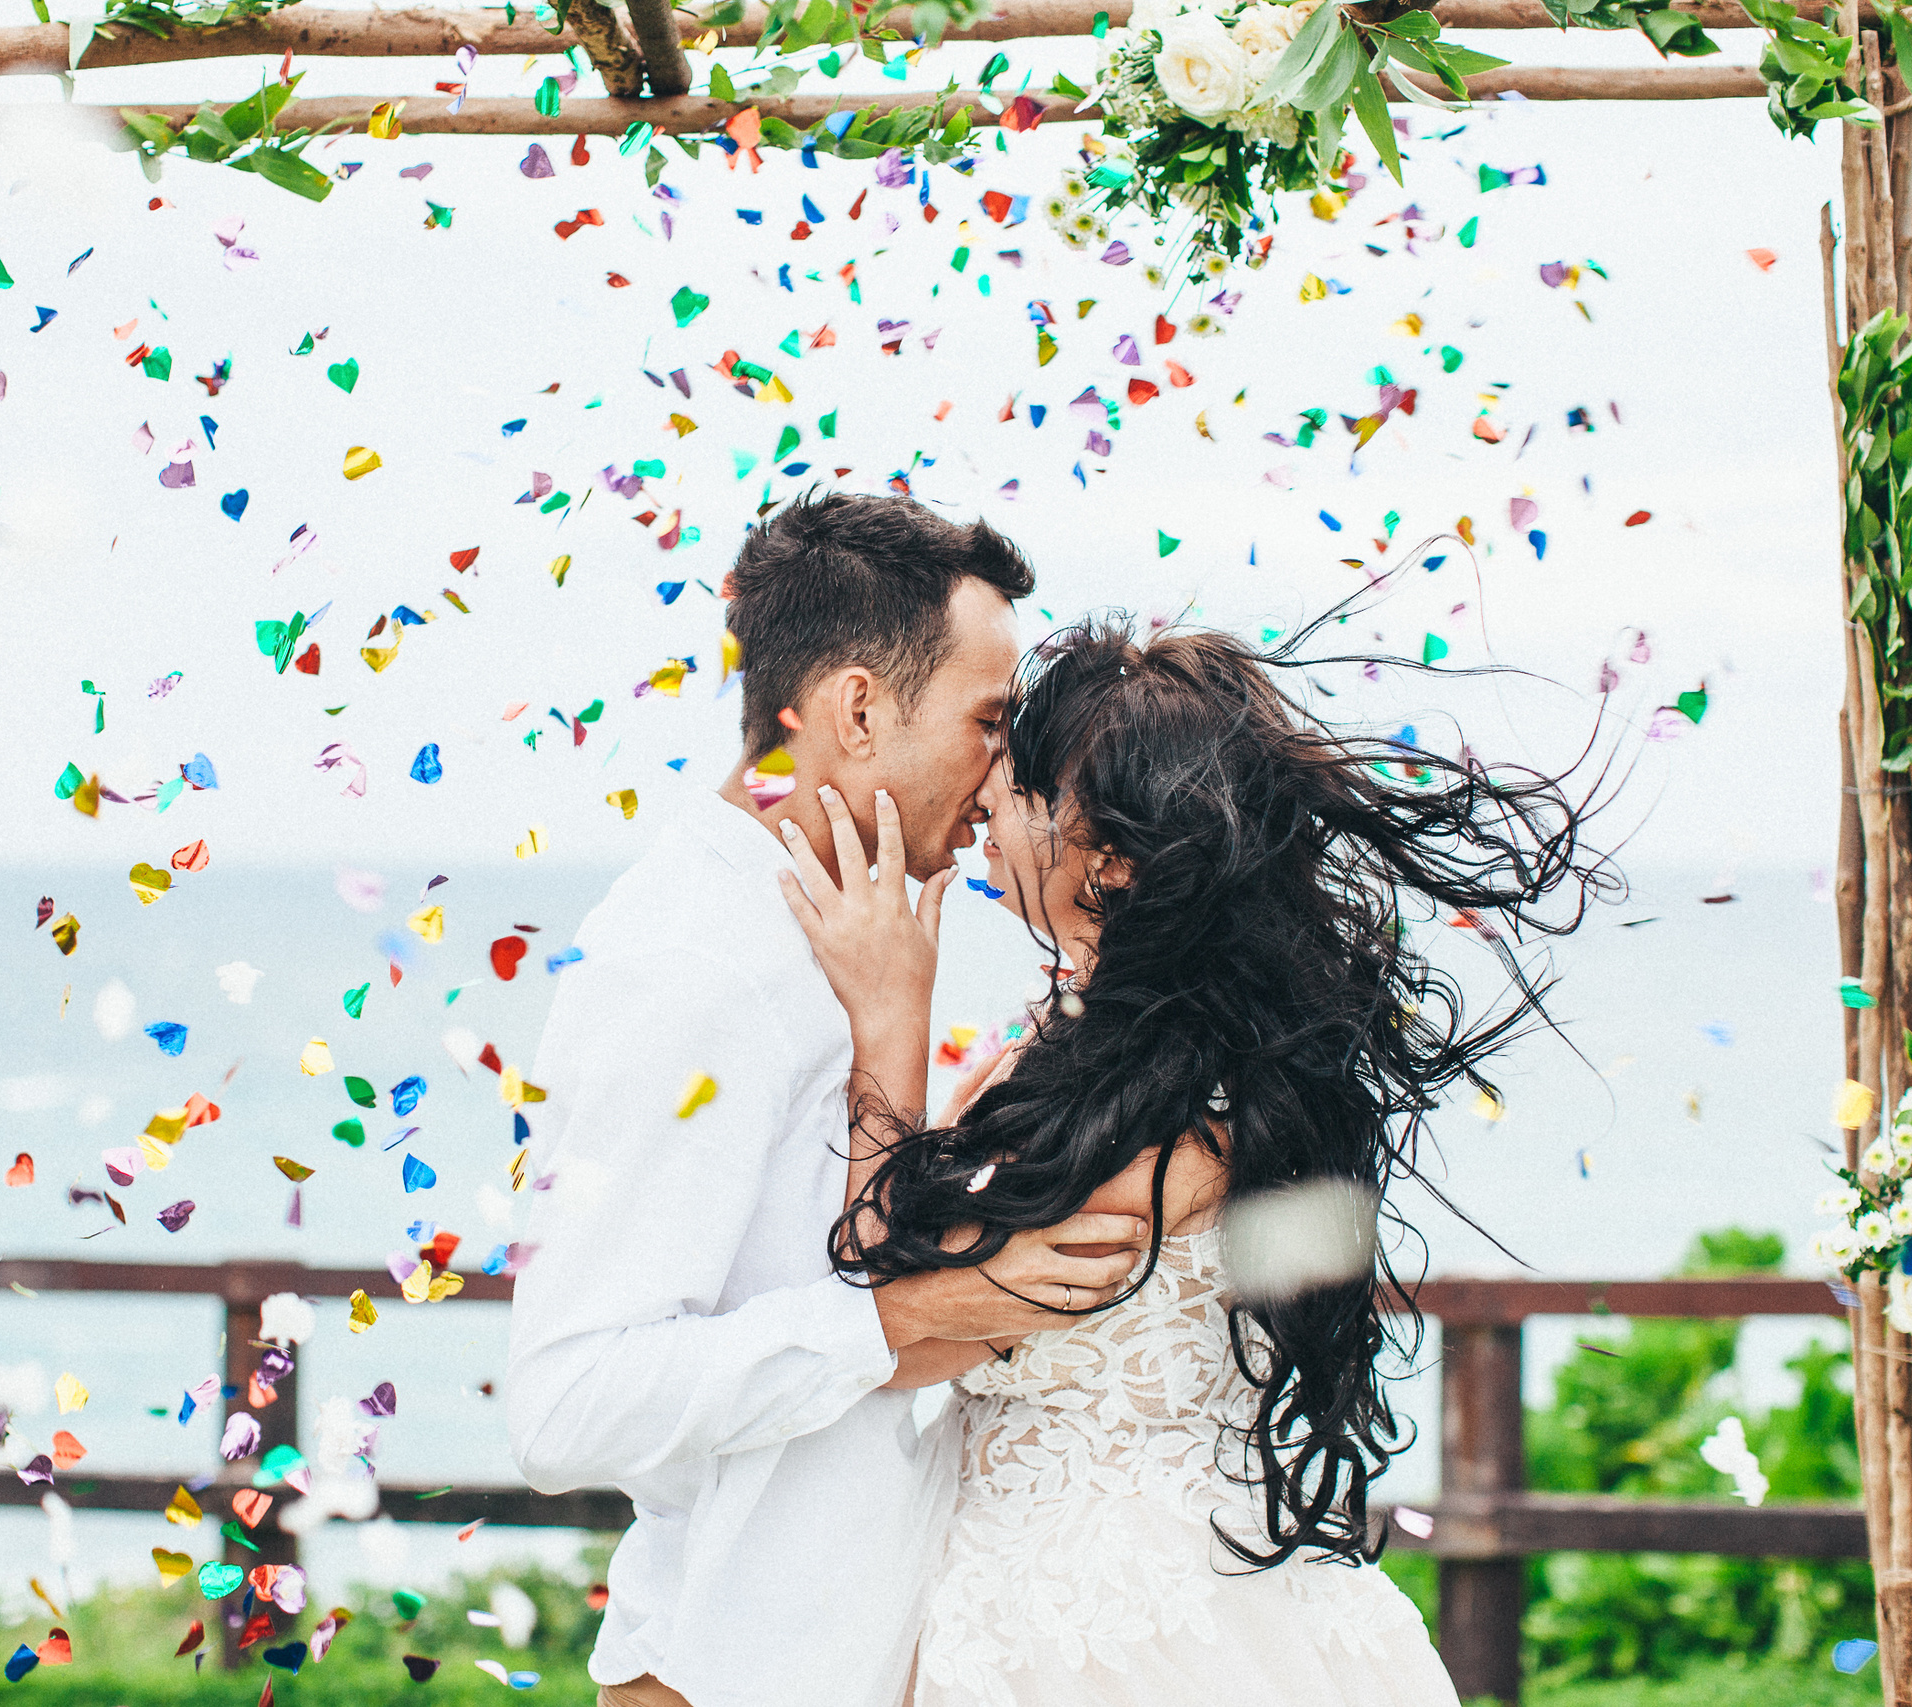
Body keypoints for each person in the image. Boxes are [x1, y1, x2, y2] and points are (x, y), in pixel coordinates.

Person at [780, 616, 1610, 1706]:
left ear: (1112, 857)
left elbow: (890, 1327)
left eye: (1024, 789)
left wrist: (889, 1019)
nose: (987, 798)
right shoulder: (1093, 1051)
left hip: (1119, 1630)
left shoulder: (1182, 1124)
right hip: (1035, 1593)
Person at [505, 496, 1155, 1707]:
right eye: (986, 721)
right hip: (733, 1669)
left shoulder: (832, 932)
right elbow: (568, 1404)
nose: (1006, 773)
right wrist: (904, 1317)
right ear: (859, 712)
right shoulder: (694, 968)